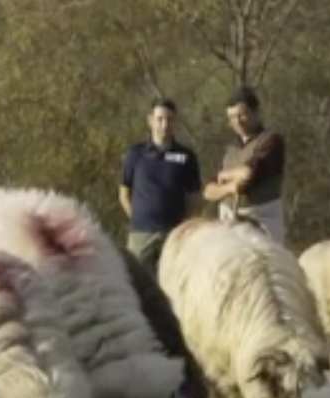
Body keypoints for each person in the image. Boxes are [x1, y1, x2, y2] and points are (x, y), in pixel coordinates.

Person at [117, 98, 203, 278]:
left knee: (175, 282)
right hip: (141, 235)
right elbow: (124, 194)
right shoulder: (135, 154)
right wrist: (138, 218)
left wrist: (182, 224)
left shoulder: (186, 156)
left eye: (169, 120)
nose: (164, 125)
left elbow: (195, 196)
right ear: (150, 120)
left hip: (173, 234)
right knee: (136, 284)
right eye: (160, 119)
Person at [203, 85, 288, 246]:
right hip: (229, 222)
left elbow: (248, 173)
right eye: (232, 117)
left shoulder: (271, 140)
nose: (237, 121)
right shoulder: (229, 149)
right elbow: (208, 191)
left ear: (256, 112)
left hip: (263, 223)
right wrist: (228, 189)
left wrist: (224, 176)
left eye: (242, 114)